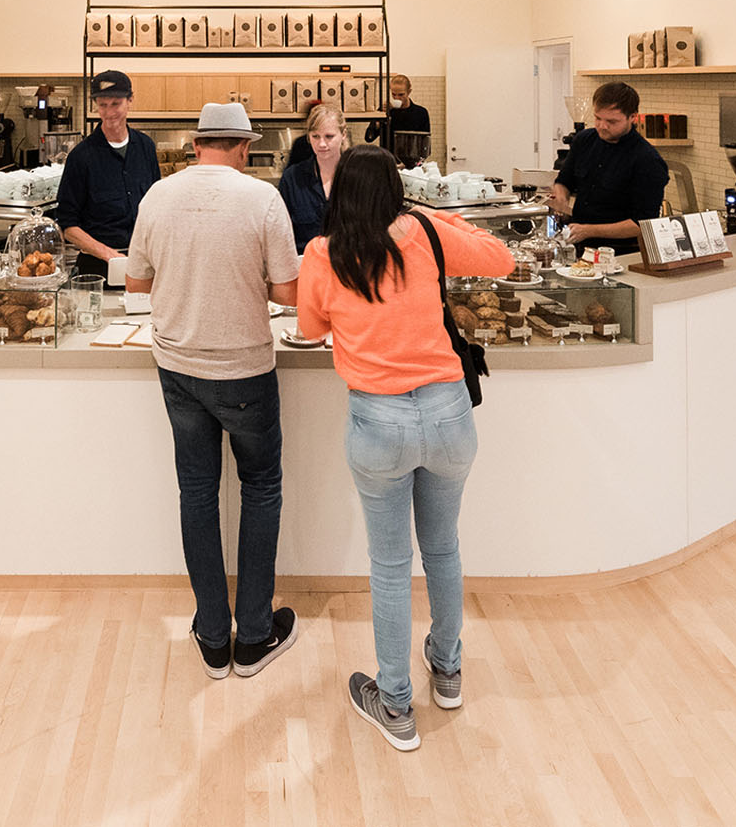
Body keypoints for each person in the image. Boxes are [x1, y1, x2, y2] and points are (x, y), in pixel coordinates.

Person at [296, 145, 514, 752]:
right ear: (399, 192)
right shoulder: (425, 232)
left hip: (378, 421)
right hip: (448, 413)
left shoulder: (324, 253)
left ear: (339, 193)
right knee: (443, 548)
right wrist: (430, 216)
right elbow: (500, 257)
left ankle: (395, 702)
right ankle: (447, 669)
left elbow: (311, 328)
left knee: (391, 567)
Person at [126, 103, 303, 681]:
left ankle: (210, 634)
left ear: (198, 144)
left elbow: (136, 282)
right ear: (244, 147)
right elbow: (288, 292)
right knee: (261, 488)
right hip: (244, 368)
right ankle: (252, 635)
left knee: (197, 494)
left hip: (178, 367)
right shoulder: (262, 199)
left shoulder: (158, 196)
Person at [56, 70, 160, 279]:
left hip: (144, 261)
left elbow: (156, 205)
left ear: (130, 101)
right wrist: (110, 255)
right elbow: (68, 225)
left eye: (115, 104)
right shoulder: (81, 156)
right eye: (103, 105)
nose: (109, 112)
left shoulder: (145, 146)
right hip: (97, 268)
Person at [545, 80, 668, 257]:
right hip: (581, 248)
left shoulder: (647, 160)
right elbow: (565, 181)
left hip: (623, 254)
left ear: (633, 117)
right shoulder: (584, 140)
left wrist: (589, 230)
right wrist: (561, 195)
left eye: (611, 121)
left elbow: (642, 225)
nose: (602, 126)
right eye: (597, 118)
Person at [279, 103, 345, 253]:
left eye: (329, 137)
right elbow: (282, 232)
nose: (321, 144)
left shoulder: (358, 175)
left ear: (343, 135)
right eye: (315, 136)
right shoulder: (292, 178)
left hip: (348, 261)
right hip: (304, 261)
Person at [366, 74, 432, 156]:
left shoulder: (420, 113)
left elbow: (426, 144)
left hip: (412, 159)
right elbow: (368, 138)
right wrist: (379, 119)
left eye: (401, 95)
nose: (397, 98)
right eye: (393, 94)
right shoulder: (385, 111)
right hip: (388, 158)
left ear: (409, 92)